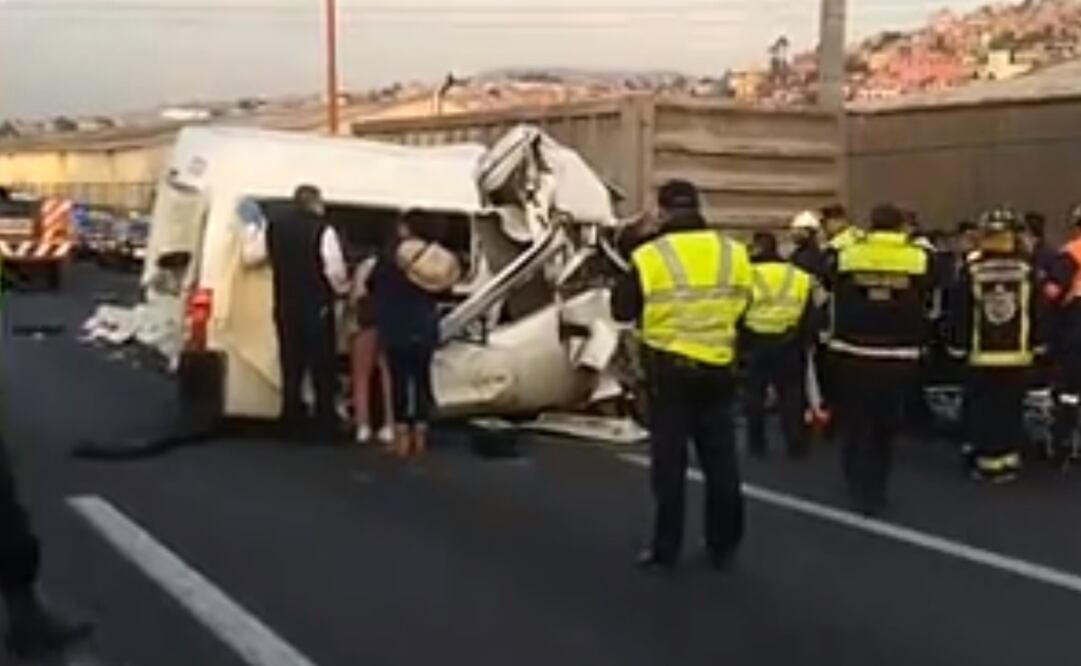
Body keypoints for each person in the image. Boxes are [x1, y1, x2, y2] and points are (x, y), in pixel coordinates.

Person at [612, 179, 752, 571]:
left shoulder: (651, 254)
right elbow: (747, 305)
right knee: (722, 462)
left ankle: (666, 547)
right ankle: (723, 544)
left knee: (670, 465)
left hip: (670, 372)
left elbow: (621, 310)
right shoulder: (733, 252)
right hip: (720, 367)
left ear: (662, 211)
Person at [826, 204, 932, 515]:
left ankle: (855, 478)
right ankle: (877, 486)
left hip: (853, 351)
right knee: (885, 426)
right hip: (898, 355)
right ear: (902, 226)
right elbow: (935, 288)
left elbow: (826, 276)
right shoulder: (919, 258)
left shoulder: (848, 254)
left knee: (856, 422)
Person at [244, 186, 349, 440]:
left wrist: (251, 227)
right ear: (315, 203)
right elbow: (333, 269)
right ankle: (324, 424)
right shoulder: (323, 230)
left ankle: (291, 421)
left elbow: (250, 256)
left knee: (291, 366)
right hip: (317, 306)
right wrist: (343, 289)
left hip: (285, 304)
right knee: (321, 367)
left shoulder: (275, 228)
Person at [948, 207, 1042, 483]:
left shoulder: (972, 269)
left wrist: (957, 345)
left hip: (982, 354)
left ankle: (986, 460)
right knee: (1009, 408)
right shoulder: (1027, 269)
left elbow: (961, 311)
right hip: (1017, 354)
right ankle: (1008, 459)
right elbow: (1038, 310)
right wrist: (1040, 343)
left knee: (983, 408)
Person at [369, 211, 445, 458]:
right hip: (425, 322)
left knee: (399, 380)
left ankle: (401, 437)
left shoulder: (392, 256)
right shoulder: (436, 256)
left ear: (406, 228)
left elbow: (373, 283)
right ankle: (421, 435)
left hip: (397, 323)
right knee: (422, 379)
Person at [743, 231, 816, 459]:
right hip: (789, 341)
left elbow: (737, 308)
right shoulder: (799, 276)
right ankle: (795, 443)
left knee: (754, 394)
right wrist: (806, 340)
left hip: (756, 340)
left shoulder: (747, 275)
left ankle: (756, 443)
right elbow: (808, 312)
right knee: (791, 395)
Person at [1042, 204, 1081, 465]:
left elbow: (1052, 293)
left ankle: (1064, 445)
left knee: (1070, 389)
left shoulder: (1071, 252)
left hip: (1076, 322)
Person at [349, 254, 394, 446]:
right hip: (390, 320)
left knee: (361, 376)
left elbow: (357, 295)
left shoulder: (365, 265)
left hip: (366, 320)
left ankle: (363, 426)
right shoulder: (397, 263)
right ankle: (390, 425)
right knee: (388, 376)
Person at [788, 210, 826, 279]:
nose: (793, 233)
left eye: (797, 229)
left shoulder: (807, 256)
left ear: (807, 232)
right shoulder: (806, 252)